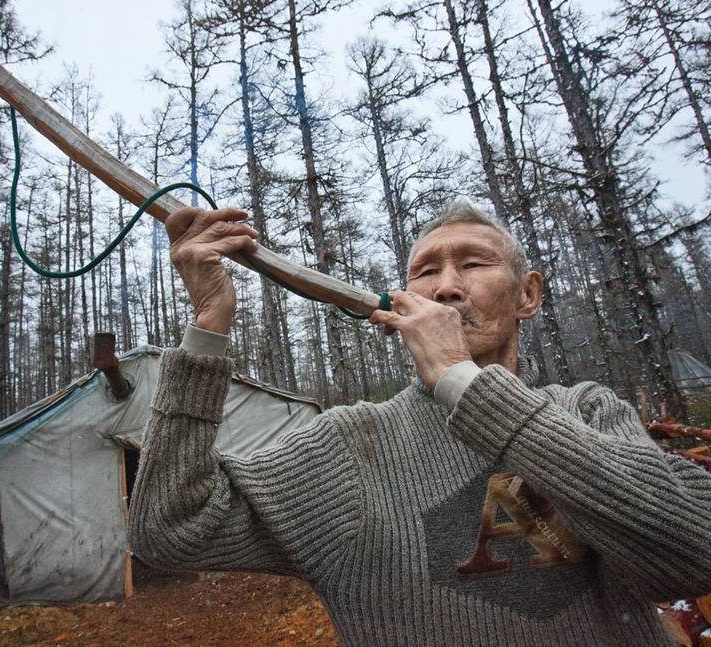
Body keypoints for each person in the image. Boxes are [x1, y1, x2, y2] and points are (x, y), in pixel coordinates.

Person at [128, 200, 711, 646]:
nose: (446, 285)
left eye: (474, 264)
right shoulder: (351, 442)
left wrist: (466, 381)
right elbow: (169, 530)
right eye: (424, 271)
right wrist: (208, 326)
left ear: (528, 296)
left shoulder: (588, 409)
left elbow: (694, 551)